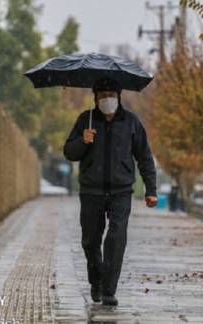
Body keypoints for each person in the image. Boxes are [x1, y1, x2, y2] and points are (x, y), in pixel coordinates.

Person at [63, 77, 158, 306]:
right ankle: (96, 282)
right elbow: (69, 152)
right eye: (103, 95)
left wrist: (150, 189)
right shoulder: (86, 120)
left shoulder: (131, 122)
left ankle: (108, 290)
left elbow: (144, 157)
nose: (108, 99)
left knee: (116, 238)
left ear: (119, 96)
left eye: (111, 95)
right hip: (91, 191)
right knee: (90, 241)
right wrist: (82, 141)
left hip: (121, 191)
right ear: (95, 98)